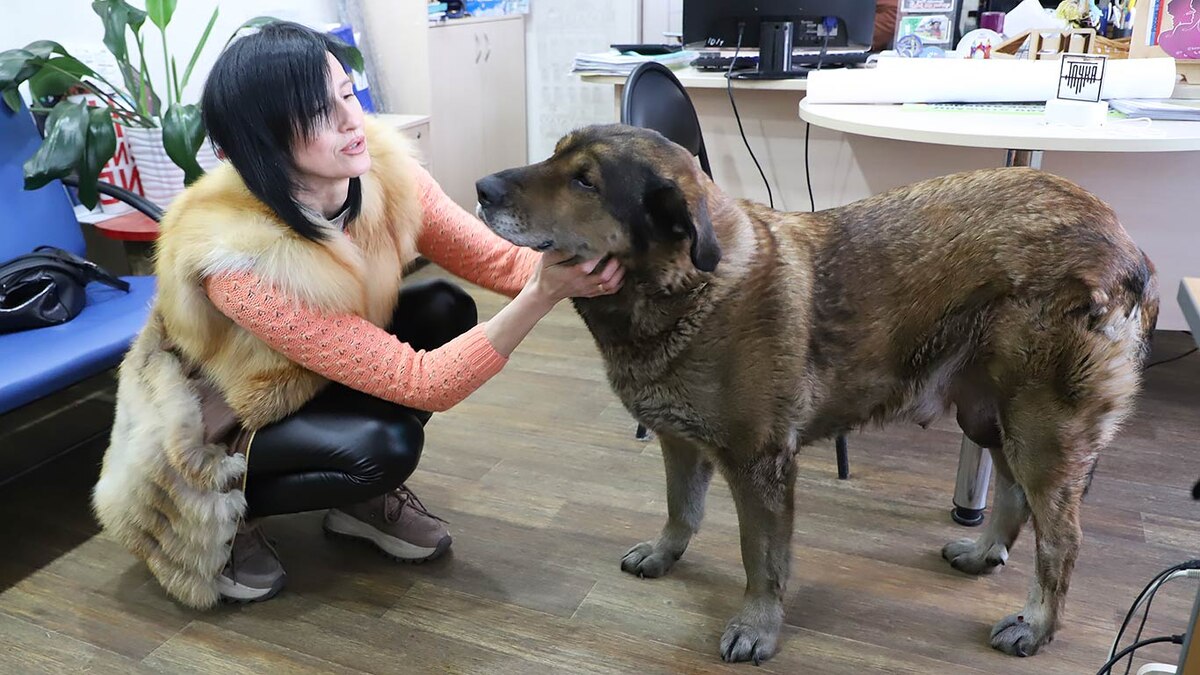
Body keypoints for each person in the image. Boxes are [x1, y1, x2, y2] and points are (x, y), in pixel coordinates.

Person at [92, 21, 623, 608]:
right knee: (382, 447)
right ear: (258, 143)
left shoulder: (381, 171)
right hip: (216, 418)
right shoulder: (236, 259)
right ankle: (226, 516)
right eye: (319, 111)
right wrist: (544, 295)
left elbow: (498, 261)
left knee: (445, 307)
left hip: (308, 371)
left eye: (347, 92)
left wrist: (591, 261)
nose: (351, 119)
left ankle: (356, 501)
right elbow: (425, 383)